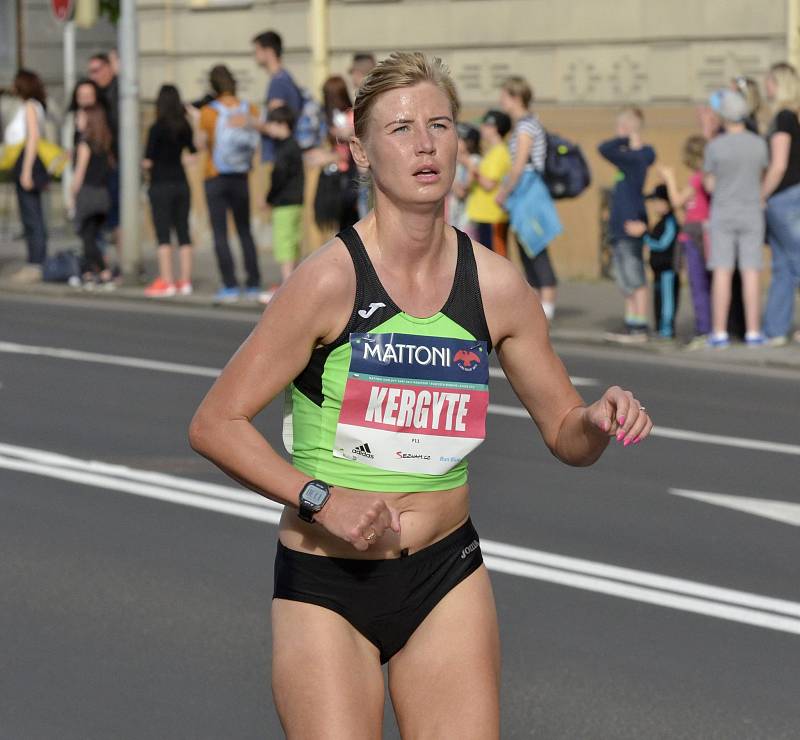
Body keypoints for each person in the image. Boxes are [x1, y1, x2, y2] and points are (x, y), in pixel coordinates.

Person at [188, 51, 653, 739]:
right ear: (361, 153)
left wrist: (598, 417)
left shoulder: (495, 286)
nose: (426, 142)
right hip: (328, 583)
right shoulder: (328, 281)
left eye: (440, 124)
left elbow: (564, 430)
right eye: (402, 128)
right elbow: (215, 422)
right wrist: (320, 498)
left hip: (446, 575)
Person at [703, 90, 769, 348]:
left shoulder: (716, 146)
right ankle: (754, 331)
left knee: (722, 271)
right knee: (751, 272)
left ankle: (719, 332)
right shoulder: (758, 143)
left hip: (723, 211)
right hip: (752, 211)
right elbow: (762, 173)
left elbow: (709, 183)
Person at [198, 65, 262, 303]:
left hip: (215, 176)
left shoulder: (208, 112)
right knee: (245, 230)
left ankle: (230, 285)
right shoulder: (249, 108)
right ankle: (254, 282)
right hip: (241, 176)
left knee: (220, 232)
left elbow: (201, 144)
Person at [497, 76, 558, 321]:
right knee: (526, 246)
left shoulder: (525, 127)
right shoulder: (524, 124)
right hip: (525, 193)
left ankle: (548, 304)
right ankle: (538, 303)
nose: (501, 101)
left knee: (535, 244)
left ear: (516, 97)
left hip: (528, 192)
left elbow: (520, 164)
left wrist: (505, 191)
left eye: (504, 96)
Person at [598, 107, 657, 343]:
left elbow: (604, 148)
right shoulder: (627, 160)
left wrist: (627, 138)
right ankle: (631, 321)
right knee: (624, 278)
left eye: (619, 128)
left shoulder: (636, 158)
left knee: (635, 276)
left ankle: (640, 324)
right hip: (618, 229)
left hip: (631, 226)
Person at [142, 84, 197, 298]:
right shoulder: (183, 126)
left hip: (160, 185)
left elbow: (148, 161)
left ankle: (167, 280)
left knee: (163, 234)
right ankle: (185, 281)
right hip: (181, 184)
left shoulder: (156, 128)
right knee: (183, 232)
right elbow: (192, 151)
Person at [760, 63, 800, 346]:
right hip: (787, 197)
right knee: (783, 265)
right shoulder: (788, 116)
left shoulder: (784, 117)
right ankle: (774, 329)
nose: (765, 85)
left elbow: (779, 165)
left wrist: (760, 195)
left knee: (795, 261)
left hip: (785, 197)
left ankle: (775, 329)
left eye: (769, 80)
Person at [660, 136, 711, 346]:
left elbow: (676, 201)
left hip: (696, 233)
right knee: (705, 282)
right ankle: (707, 326)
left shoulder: (698, 178)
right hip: (697, 231)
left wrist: (670, 179)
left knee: (698, 283)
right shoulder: (705, 178)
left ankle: (704, 328)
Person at [4, 69, 48, 282]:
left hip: (26, 162)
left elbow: (33, 138)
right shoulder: (31, 105)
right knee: (31, 216)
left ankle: (36, 263)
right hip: (23, 162)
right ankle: (36, 260)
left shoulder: (30, 106)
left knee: (32, 217)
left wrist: (26, 171)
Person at [625, 184, 680, 340]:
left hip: (667, 271)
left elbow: (662, 243)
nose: (655, 205)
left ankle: (667, 330)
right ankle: (659, 328)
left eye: (658, 201)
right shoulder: (660, 222)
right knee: (658, 299)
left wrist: (645, 235)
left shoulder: (670, 222)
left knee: (667, 300)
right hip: (658, 270)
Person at [69, 104, 113, 287]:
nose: (77, 121)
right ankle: (88, 273)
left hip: (88, 194)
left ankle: (104, 271)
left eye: (80, 117)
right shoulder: (104, 144)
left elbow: (79, 174)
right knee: (94, 235)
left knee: (87, 238)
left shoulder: (85, 144)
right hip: (103, 196)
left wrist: (72, 197)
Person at [263, 105, 304, 297]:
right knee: (292, 241)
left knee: (284, 242)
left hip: (284, 202)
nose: (269, 128)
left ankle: (286, 287)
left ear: (282, 124)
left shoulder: (285, 148)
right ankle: (291, 283)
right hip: (295, 200)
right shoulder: (294, 145)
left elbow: (278, 176)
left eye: (271, 123)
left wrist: (269, 198)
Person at [87, 52, 121, 272]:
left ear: (109, 69)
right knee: (97, 217)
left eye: (97, 69)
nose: (93, 75)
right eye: (90, 71)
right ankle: (102, 264)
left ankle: (120, 265)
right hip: (97, 168)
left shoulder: (117, 92)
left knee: (117, 217)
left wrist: (119, 73)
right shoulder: (94, 95)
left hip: (116, 164)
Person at [312, 75, 358, 233]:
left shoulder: (349, 117)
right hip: (334, 177)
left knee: (350, 225)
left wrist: (328, 156)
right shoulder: (327, 117)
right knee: (340, 226)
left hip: (349, 177)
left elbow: (350, 153)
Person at [252, 30, 304, 164]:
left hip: (278, 156)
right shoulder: (285, 78)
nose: (254, 55)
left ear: (268, 52)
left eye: (257, 50)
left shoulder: (278, 83)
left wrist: (247, 122)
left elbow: (276, 125)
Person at [465, 110, 512, 256]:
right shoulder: (493, 152)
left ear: (494, 128)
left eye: (485, 125)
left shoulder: (500, 152)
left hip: (493, 217)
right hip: (484, 216)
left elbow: (488, 185)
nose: (482, 129)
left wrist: (470, 165)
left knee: (498, 259)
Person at [448, 122, 480, 236]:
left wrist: (466, 163)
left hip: (467, 218)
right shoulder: (454, 162)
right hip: (452, 216)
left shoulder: (474, 161)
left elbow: (463, 190)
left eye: (460, 138)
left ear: (470, 143)